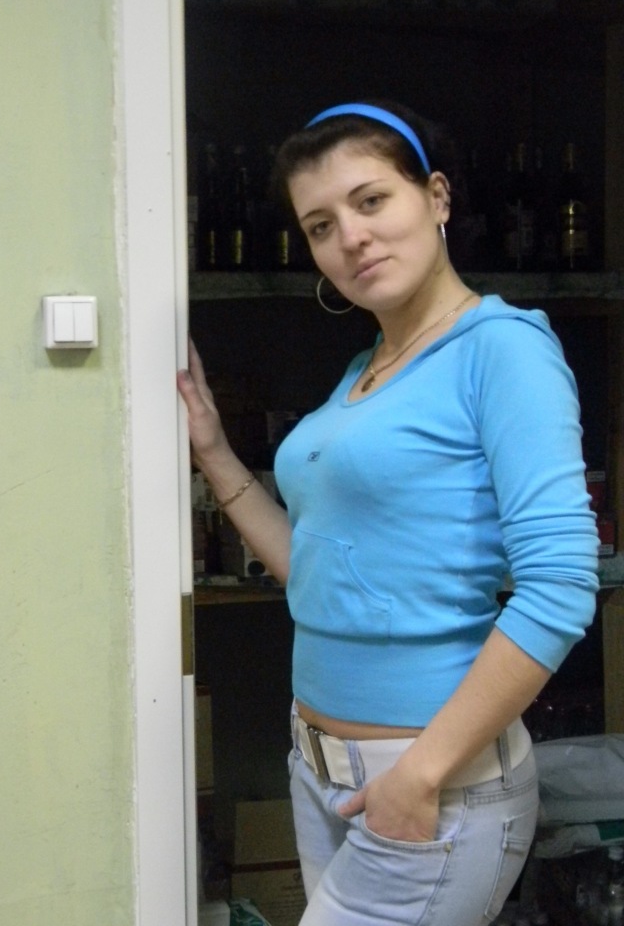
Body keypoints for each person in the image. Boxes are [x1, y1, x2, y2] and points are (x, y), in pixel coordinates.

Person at [177, 100, 600, 926]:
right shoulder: (367, 368)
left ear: (436, 197)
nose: (352, 237)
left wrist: (421, 774)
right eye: (321, 225)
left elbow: (560, 586)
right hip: (321, 772)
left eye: (372, 200)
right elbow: (318, 572)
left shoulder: (503, 348)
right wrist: (215, 452)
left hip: (432, 784)